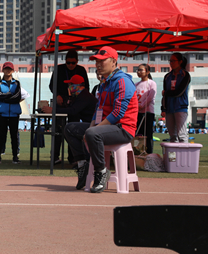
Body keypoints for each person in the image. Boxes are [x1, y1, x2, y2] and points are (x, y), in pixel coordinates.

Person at [63, 47, 138, 193]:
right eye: (96, 61)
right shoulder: (104, 84)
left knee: (92, 134)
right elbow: (98, 110)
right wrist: (92, 126)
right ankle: (83, 165)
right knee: (69, 128)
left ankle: (101, 171)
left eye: (102, 61)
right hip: (105, 128)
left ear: (114, 62)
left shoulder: (123, 81)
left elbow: (117, 113)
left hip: (123, 128)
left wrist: (92, 130)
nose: (98, 64)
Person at [42, 74, 97, 165]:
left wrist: (53, 110)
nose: (69, 87)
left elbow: (73, 110)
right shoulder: (82, 95)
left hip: (92, 125)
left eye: (70, 85)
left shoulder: (84, 96)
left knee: (68, 129)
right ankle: (82, 158)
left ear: (77, 86)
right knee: (69, 130)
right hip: (90, 124)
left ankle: (82, 159)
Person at [0, 62, 24, 164]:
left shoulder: (17, 83)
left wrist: (6, 97)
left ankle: (15, 156)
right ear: (3, 70)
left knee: (14, 135)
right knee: (1, 135)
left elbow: (18, 97)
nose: (8, 70)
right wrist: (10, 96)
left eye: (10, 69)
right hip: (1, 112)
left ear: (13, 70)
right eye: (6, 69)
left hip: (14, 113)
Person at [161, 53, 191, 143]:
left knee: (181, 135)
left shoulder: (185, 75)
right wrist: (163, 108)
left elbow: (179, 92)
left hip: (180, 107)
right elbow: (164, 95)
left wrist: (167, 93)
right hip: (169, 108)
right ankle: (173, 157)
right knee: (172, 136)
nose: (171, 63)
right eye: (170, 61)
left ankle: (185, 156)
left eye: (173, 61)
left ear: (180, 62)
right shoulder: (167, 77)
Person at [135, 64, 157, 153]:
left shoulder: (152, 83)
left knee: (148, 134)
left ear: (147, 72)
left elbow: (150, 97)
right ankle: (138, 152)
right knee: (138, 134)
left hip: (148, 113)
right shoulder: (136, 84)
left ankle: (149, 153)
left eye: (141, 70)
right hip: (137, 113)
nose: (138, 72)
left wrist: (142, 106)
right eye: (138, 70)